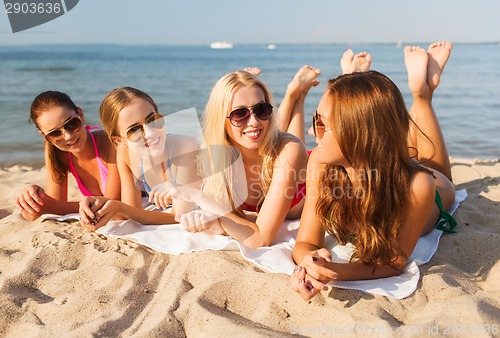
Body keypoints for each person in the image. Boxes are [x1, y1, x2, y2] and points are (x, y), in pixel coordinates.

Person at [291, 42, 456, 300]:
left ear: (357, 136)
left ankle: (422, 93)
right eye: (315, 119)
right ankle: (419, 89)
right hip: (385, 163)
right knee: (411, 154)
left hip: (433, 192)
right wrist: (310, 262)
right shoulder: (320, 165)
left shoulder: (418, 185)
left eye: (322, 124)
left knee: (436, 169)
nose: (312, 131)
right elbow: (305, 243)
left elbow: (393, 262)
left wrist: (335, 271)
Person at [78, 87, 200, 230]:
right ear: (119, 140)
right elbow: (131, 208)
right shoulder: (126, 155)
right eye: (134, 130)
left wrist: (118, 207)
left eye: (153, 120)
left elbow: (178, 217)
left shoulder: (185, 147)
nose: (150, 132)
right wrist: (97, 205)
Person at [15, 91, 120, 221]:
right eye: (54, 133)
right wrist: (35, 196)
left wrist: (49, 206)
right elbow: (57, 203)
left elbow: (111, 204)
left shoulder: (108, 143)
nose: (68, 136)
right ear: (44, 136)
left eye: (71, 124)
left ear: (80, 115)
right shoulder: (56, 151)